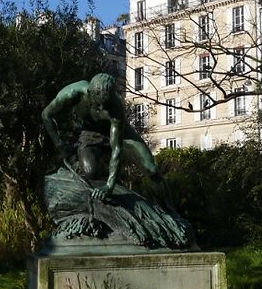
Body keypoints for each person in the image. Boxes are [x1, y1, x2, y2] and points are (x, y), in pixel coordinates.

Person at [42, 72, 175, 209]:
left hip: (121, 134)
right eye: (97, 104)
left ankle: (172, 212)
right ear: (89, 92)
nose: (101, 109)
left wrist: (109, 186)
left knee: (151, 169)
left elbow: (116, 149)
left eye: (105, 106)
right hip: (90, 133)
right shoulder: (72, 93)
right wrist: (61, 146)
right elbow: (46, 115)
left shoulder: (116, 109)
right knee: (89, 171)